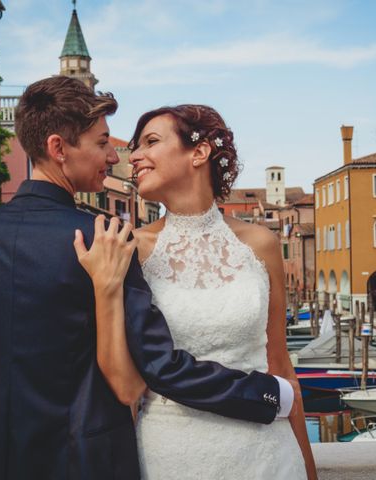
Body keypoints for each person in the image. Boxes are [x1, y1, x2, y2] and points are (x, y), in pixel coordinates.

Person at [0, 77, 299, 480]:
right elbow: (149, 372)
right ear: (59, 148)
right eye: (101, 143)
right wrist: (275, 395)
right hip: (86, 461)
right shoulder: (106, 238)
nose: (115, 157)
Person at [75, 105, 317, 479]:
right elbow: (125, 384)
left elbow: (280, 365)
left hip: (267, 455)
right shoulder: (130, 249)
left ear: (199, 153)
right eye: (135, 147)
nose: (135, 157)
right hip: (170, 456)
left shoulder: (261, 244)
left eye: (151, 142)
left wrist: (308, 468)